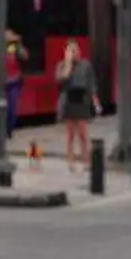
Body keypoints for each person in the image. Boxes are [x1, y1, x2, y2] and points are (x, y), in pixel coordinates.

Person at [55, 41, 101, 172]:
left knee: (82, 133)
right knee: (70, 134)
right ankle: (70, 161)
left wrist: (95, 100)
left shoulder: (86, 65)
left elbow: (91, 84)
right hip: (68, 99)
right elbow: (60, 80)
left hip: (81, 100)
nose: (74, 53)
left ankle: (86, 160)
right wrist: (68, 65)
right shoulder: (62, 65)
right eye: (71, 51)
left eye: (76, 50)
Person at [1, 29, 27, 138]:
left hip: (13, 81)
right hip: (0, 82)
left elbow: (25, 56)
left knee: (12, 108)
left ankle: (8, 131)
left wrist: (19, 43)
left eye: (10, 35)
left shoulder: (14, 48)